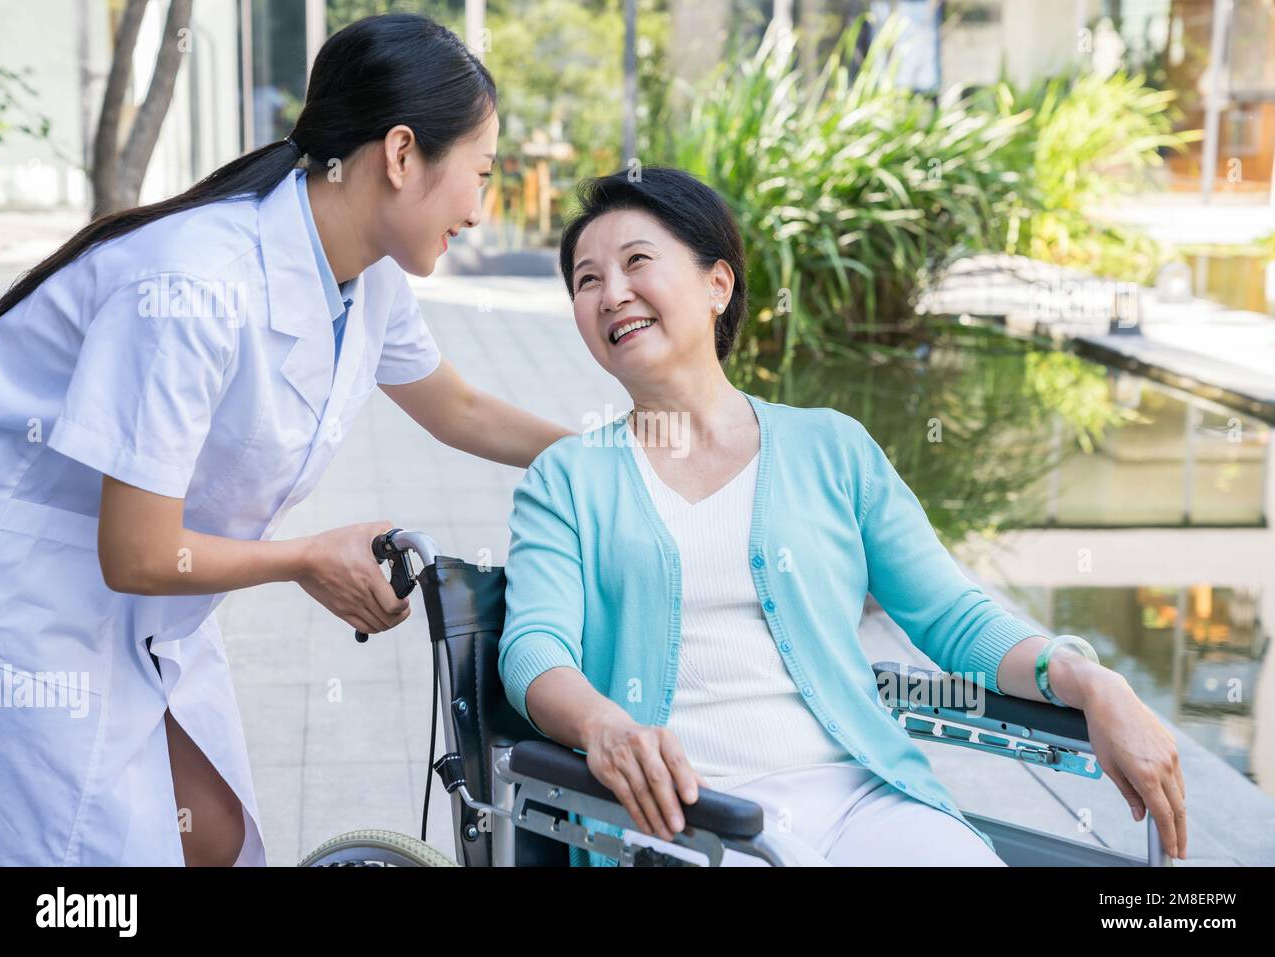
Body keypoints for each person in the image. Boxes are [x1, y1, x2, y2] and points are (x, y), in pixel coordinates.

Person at [0, 13, 572, 866]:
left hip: (143, 594)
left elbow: (461, 410)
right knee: (92, 875)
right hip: (31, 587)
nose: (480, 212)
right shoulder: (194, 286)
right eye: (478, 174)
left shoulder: (364, 274)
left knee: (213, 831)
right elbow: (132, 550)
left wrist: (617, 454)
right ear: (402, 154)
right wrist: (306, 558)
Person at [496, 166, 1187, 867]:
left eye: (637, 261)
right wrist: (605, 724)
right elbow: (534, 649)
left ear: (718, 284)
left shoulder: (831, 446)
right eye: (587, 280)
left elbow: (951, 615)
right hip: (686, 816)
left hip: (864, 799)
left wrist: (1091, 681)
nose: (612, 293)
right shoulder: (568, 478)